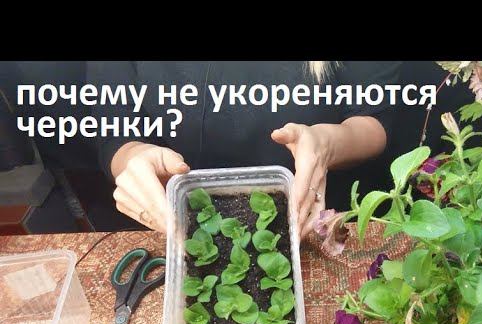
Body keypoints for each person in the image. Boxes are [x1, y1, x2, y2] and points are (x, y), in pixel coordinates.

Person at [88, 61, 401, 238]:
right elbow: (116, 130)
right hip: (183, 234)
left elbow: (373, 121)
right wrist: (132, 158)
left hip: (311, 229)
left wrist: (326, 143)